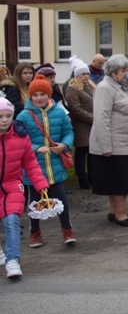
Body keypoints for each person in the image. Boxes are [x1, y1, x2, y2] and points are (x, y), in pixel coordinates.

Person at [16, 75, 76, 247]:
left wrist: (64, 145)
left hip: (55, 166)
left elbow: (69, 132)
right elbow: (21, 139)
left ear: (49, 95)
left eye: (43, 94)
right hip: (34, 169)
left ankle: (67, 229)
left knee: (61, 200)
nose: (39, 98)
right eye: (35, 95)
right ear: (30, 96)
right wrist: (35, 148)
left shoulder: (59, 112)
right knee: (35, 203)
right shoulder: (23, 116)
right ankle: (35, 232)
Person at [0, 98, 50, 279]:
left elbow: (30, 163)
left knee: (12, 220)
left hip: (13, 184)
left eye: (8, 116)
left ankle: (13, 261)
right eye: (0, 117)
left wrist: (41, 183)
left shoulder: (21, 137)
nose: (4, 120)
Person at [89, 54, 128, 227]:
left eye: (127, 70)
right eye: (124, 70)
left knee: (116, 178)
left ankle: (114, 210)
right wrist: (105, 145)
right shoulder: (104, 88)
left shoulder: (119, 85)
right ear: (114, 71)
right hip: (113, 143)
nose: (126, 73)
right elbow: (101, 118)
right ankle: (120, 214)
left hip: (122, 141)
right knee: (119, 180)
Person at [65, 63, 96, 189]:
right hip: (81, 125)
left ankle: (92, 178)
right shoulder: (72, 88)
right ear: (77, 75)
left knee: (91, 152)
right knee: (82, 152)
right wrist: (91, 117)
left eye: (87, 74)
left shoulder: (89, 86)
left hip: (91, 124)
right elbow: (75, 108)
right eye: (83, 74)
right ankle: (82, 179)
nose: (86, 76)